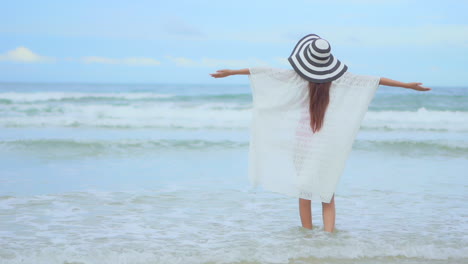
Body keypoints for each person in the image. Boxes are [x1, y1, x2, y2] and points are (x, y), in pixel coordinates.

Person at [209, 34, 430, 232]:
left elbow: (264, 72)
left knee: (304, 192)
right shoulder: (341, 79)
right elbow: (375, 80)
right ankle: (329, 238)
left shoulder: (295, 76)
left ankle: (308, 238)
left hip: (303, 139)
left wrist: (232, 72)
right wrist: (408, 86)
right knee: (327, 191)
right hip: (328, 141)